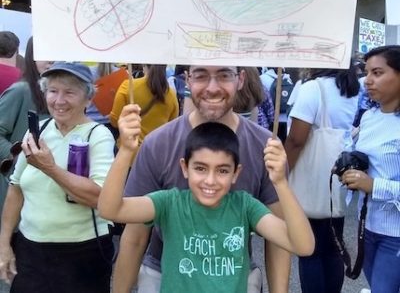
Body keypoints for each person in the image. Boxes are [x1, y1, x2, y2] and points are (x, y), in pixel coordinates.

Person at [112, 65, 292, 293]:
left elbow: (279, 240)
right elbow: (135, 236)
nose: (213, 88)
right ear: (187, 80)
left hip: (233, 275)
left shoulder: (267, 148)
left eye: (224, 75)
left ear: (241, 79)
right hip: (165, 274)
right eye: (201, 76)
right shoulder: (158, 144)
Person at [99, 115, 314, 292]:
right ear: (185, 168)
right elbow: (110, 209)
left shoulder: (245, 207)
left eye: (222, 170)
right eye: (200, 168)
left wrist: (281, 183)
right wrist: (126, 152)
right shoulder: (169, 203)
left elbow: (303, 245)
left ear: (235, 173)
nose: (210, 180)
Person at [0, 62, 115, 293]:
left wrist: (50, 168)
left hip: (82, 253)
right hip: (31, 251)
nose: (59, 101)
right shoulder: (38, 130)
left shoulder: (98, 135)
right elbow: (16, 188)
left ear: (88, 99)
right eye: (53, 91)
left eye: (70, 92)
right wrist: (4, 244)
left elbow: (100, 197)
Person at [285, 65, 360, 293]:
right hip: (340, 174)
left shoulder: (313, 88)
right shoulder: (351, 88)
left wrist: (282, 173)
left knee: (309, 248)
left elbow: (297, 139)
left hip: (312, 177)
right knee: (332, 245)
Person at [341, 45, 400, 293]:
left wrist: (374, 185)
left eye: (377, 72)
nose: (368, 81)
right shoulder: (369, 117)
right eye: (366, 73)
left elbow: (373, 181)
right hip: (369, 227)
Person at [0, 37, 52, 220]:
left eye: (56, 54)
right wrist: (19, 156)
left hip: (48, 187)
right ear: (32, 56)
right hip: (17, 187)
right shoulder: (21, 90)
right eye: (44, 54)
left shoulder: (63, 97)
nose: (51, 60)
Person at [110, 64, 179, 160]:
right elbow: (172, 126)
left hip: (127, 155)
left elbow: (115, 121)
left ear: (143, 65)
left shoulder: (128, 86)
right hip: (156, 155)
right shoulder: (171, 94)